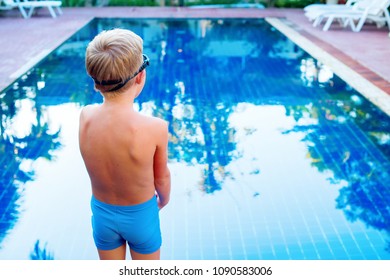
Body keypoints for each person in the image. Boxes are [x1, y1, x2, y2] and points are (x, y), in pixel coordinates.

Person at [79, 28, 171, 260]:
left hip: (102, 214)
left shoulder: (85, 116)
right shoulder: (155, 127)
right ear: (140, 77)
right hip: (141, 215)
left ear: (95, 82)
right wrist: (164, 198)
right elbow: (161, 178)